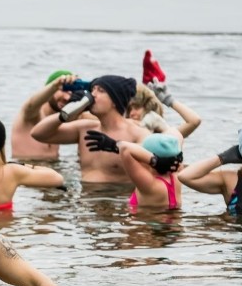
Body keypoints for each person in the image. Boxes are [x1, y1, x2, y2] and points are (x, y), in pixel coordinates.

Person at [31, 75, 182, 183]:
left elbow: (161, 163)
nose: (92, 94)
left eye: (101, 91)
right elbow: (38, 134)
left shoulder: (137, 132)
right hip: (86, 205)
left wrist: (117, 147)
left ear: (115, 101)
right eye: (93, 89)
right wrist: (65, 114)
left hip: (117, 201)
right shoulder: (84, 128)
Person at [86, 132, 185, 212]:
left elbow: (125, 149)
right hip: (170, 232)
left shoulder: (150, 184)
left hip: (145, 234)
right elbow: (176, 132)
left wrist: (155, 161)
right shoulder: (177, 175)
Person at [11, 70, 83, 161]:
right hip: (27, 171)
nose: (67, 97)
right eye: (63, 90)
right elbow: (31, 105)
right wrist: (55, 85)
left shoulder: (60, 119)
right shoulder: (31, 116)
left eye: (71, 93)